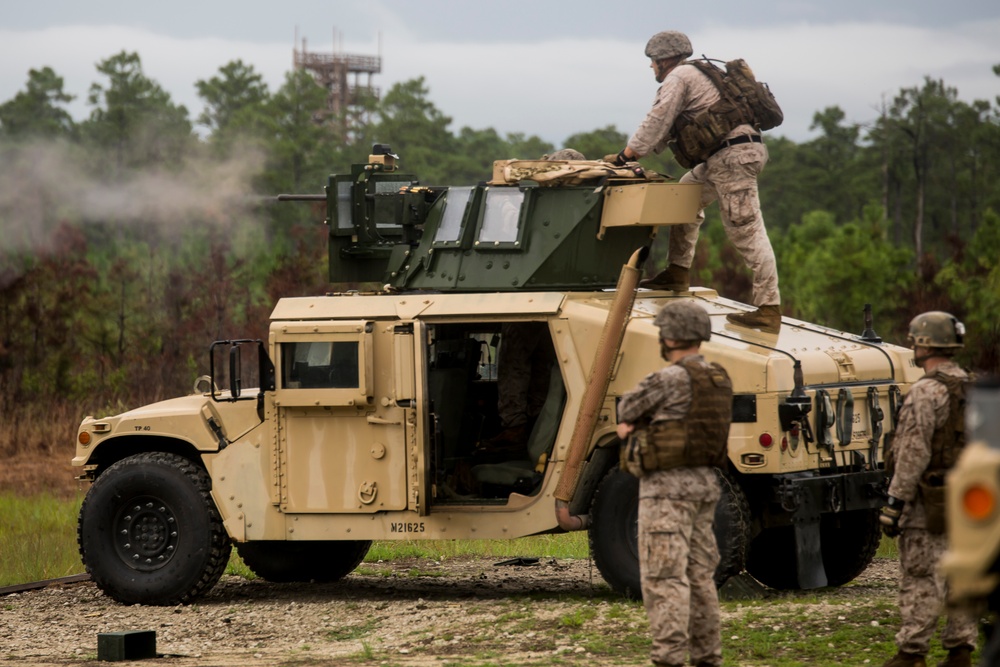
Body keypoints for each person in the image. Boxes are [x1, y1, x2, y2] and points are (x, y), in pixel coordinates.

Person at [603, 30, 781, 334]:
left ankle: (769, 308)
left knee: (746, 229)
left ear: (665, 60)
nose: (651, 67)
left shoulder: (680, 76)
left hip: (731, 158)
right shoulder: (699, 73)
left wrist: (627, 154)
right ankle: (677, 271)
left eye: (653, 61)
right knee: (684, 198)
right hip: (727, 156)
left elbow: (658, 118)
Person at [616, 300, 732, 667]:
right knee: (700, 576)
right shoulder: (719, 378)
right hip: (704, 485)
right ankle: (707, 658)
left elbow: (627, 408)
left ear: (670, 336)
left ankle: (667, 659)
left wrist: (635, 425)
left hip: (667, 490)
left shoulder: (669, 378)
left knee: (665, 577)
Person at [879, 311, 976, 667]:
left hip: (929, 497)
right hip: (971, 497)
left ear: (924, 344)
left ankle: (912, 652)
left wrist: (895, 501)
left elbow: (912, 452)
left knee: (921, 573)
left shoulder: (925, 392)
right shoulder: (972, 386)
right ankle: (961, 649)